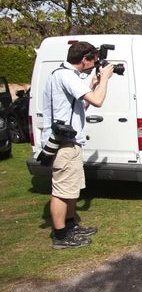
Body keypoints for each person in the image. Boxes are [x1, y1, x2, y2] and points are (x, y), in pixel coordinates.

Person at [42, 41, 114, 249]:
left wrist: (92, 84)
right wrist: (105, 81)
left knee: (71, 189)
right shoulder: (65, 75)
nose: (94, 64)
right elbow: (98, 100)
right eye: (93, 59)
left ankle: (71, 224)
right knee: (62, 190)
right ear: (84, 59)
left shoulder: (66, 76)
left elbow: (81, 105)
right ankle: (61, 236)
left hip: (71, 142)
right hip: (64, 143)